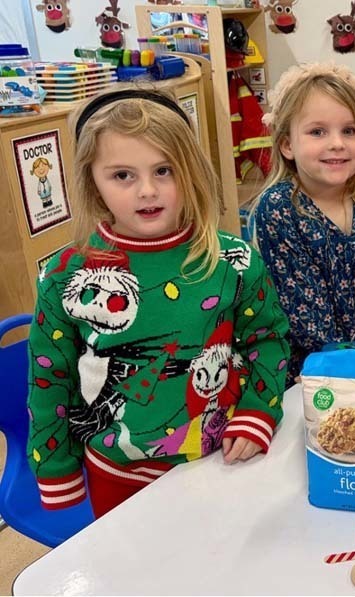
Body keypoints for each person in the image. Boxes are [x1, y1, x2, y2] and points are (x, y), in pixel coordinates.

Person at [27, 88, 290, 517]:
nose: (147, 190)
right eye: (123, 175)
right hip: (117, 472)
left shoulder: (233, 261)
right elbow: (49, 377)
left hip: (218, 461)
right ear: (91, 178)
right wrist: (55, 468)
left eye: (164, 170)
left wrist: (259, 411)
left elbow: (268, 340)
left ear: (189, 171)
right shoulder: (64, 275)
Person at [250, 62, 355, 381]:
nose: (337, 143)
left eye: (349, 130)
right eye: (318, 131)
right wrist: (345, 368)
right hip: (312, 372)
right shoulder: (278, 208)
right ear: (287, 145)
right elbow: (304, 314)